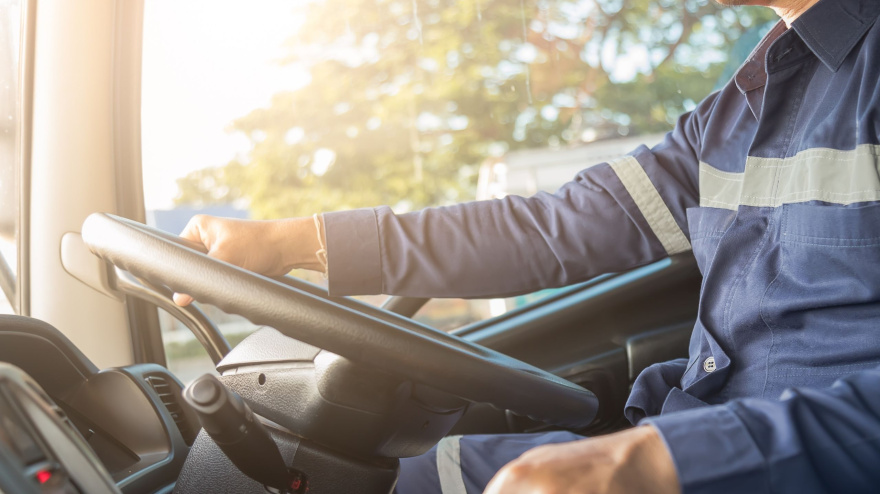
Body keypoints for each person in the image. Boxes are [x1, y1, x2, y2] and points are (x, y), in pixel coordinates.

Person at [174, 0, 880, 491]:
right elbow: (556, 226)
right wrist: (295, 241)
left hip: (789, 463)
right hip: (699, 436)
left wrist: (661, 463)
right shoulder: (740, 108)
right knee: (408, 478)